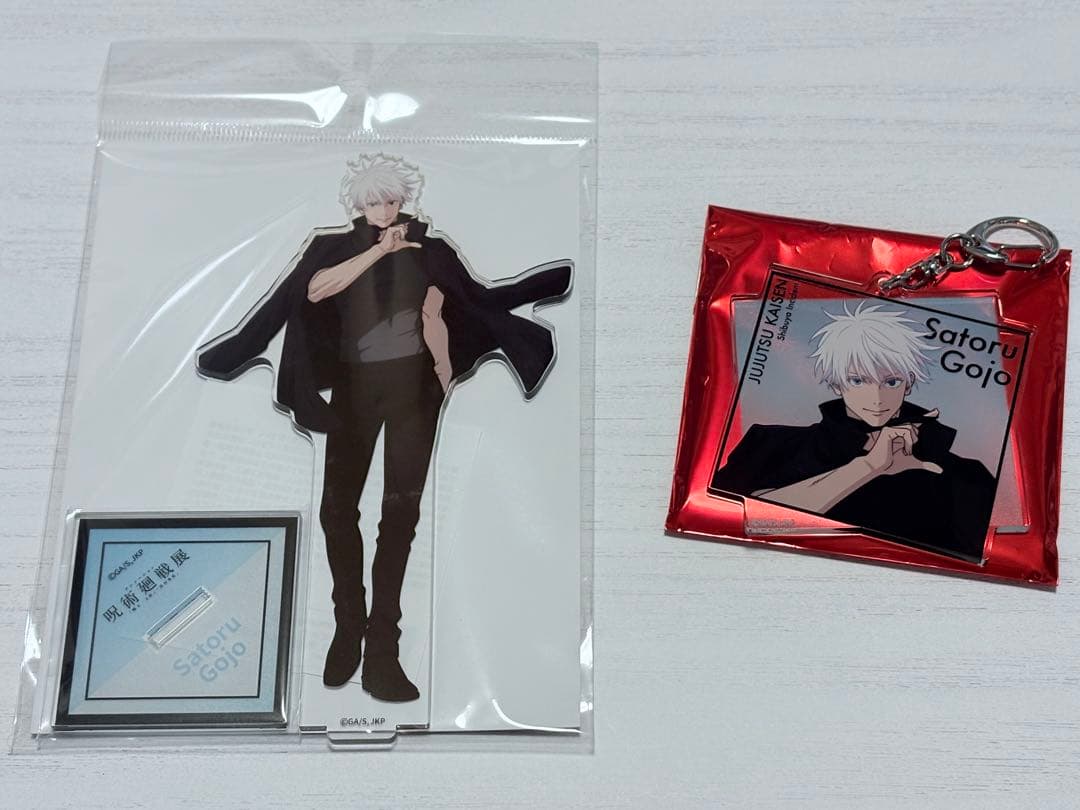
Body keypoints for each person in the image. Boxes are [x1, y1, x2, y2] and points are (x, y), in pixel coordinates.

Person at [197, 154, 572, 700]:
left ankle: (383, 652)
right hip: (354, 386)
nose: (384, 209)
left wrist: (446, 371)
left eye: (391, 200)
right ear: (357, 203)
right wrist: (379, 250)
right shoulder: (330, 247)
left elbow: (474, 300)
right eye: (374, 201)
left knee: (400, 516)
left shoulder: (432, 250)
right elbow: (313, 291)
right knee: (336, 510)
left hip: (415, 389)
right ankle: (348, 628)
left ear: (404, 199)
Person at [711, 301, 996, 562]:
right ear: (837, 383)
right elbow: (733, 522)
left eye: (891, 382)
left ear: (909, 383)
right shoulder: (771, 445)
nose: (877, 397)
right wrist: (867, 467)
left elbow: (979, 560)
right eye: (858, 380)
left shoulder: (962, 474)